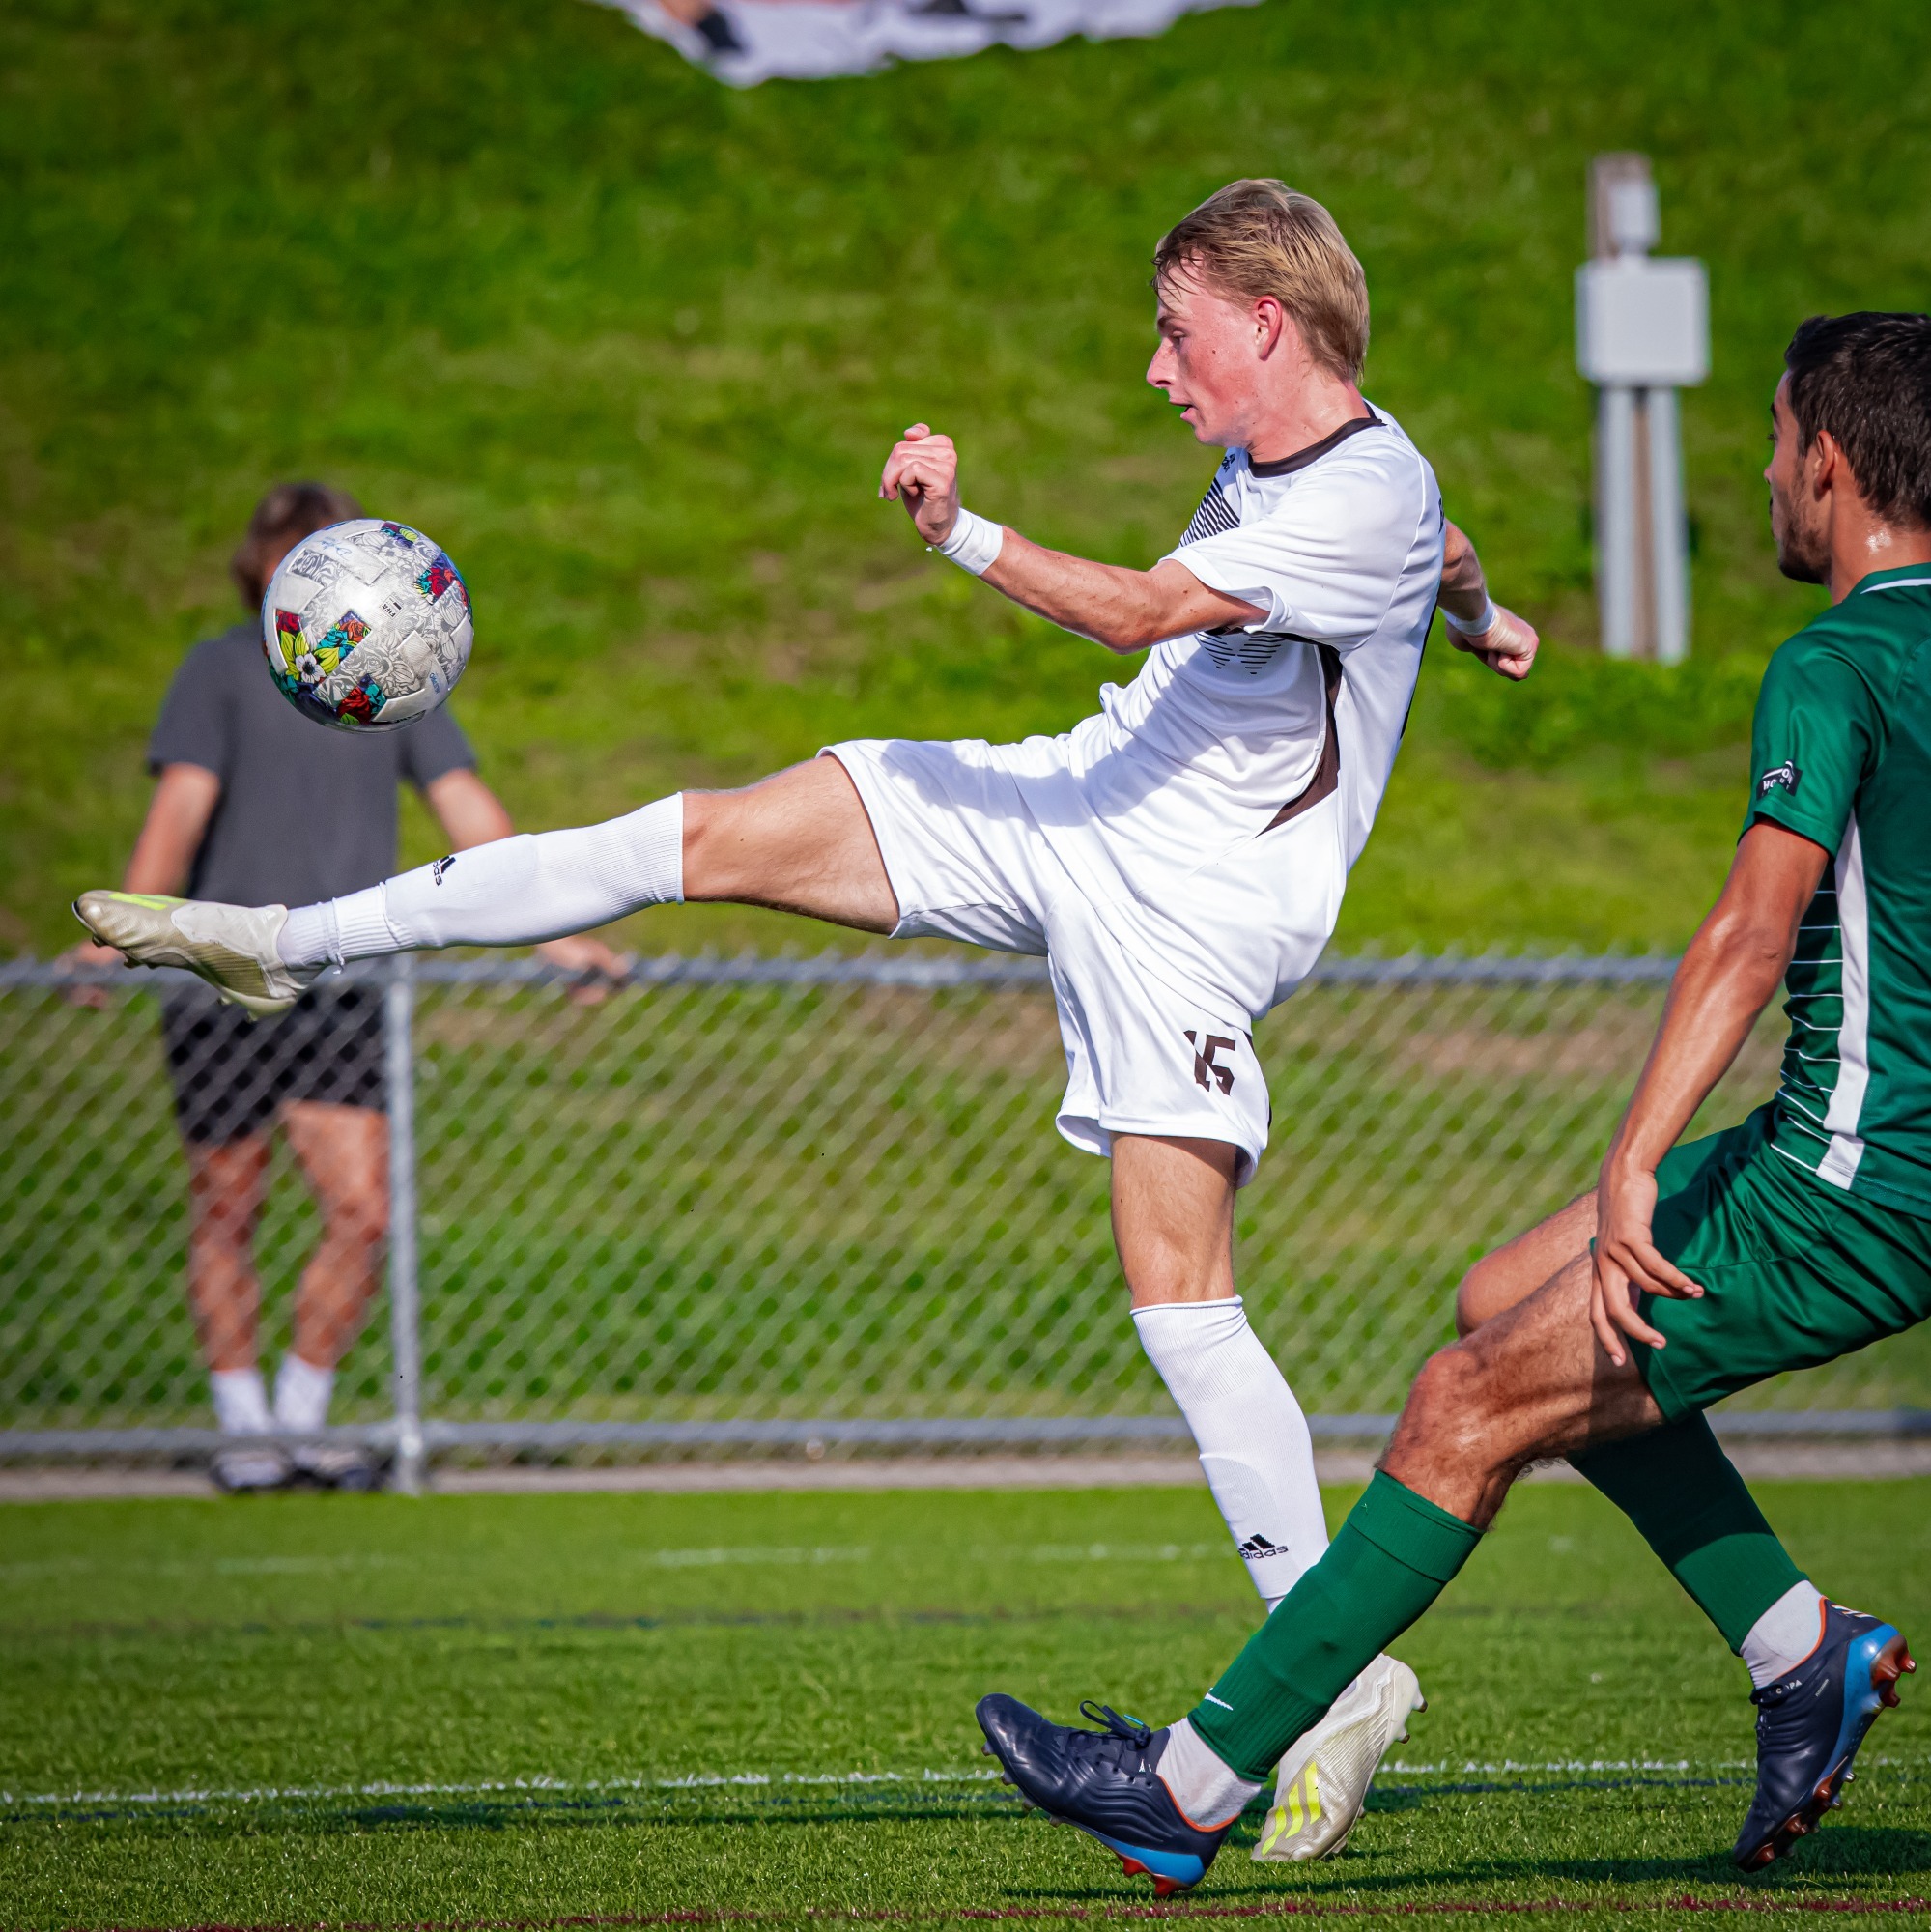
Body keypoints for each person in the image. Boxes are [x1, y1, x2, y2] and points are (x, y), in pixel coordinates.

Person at [75, 181, 1536, 1839]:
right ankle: (284, 937)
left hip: (1184, 911)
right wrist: (1482, 624)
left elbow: (1143, 608)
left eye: (1174, 330)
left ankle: (1335, 1675)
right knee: (677, 836)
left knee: (1179, 1298)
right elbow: (1448, 554)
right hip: (1065, 802)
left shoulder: (1366, 492)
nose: (1152, 368)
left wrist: (957, 534)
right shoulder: (1327, 479)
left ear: (1266, 325)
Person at [972, 309, 1931, 1892]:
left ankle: (1189, 1788)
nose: (1763, 473)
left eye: (1771, 445)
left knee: (1459, 1404)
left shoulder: (1832, 662)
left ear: (1825, 466)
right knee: (1509, 1298)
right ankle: (1791, 1652)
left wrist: (1628, 1163)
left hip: (1853, 1180)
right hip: (1839, 1143)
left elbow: (1747, 934)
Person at [67, 483, 626, 1492]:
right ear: (269, 571)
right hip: (223, 987)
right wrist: (125, 932)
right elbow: (181, 807)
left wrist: (561, 936)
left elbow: (467, 809)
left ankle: (300, 1421)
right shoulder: (221, 670)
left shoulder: (393, 672)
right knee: (227, 1204)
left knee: (360, 1209)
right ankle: (242, 1431)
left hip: (341, 987)